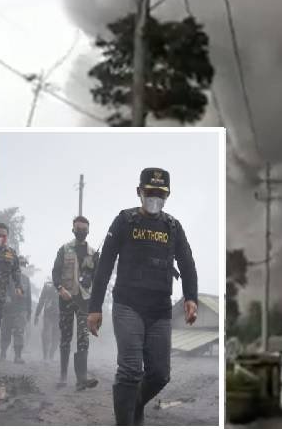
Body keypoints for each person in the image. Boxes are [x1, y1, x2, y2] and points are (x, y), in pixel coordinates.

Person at [87, 167, 199, 426]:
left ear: (168, 195)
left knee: (160, 375)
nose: (155, 198)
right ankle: (125, 421)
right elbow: (104, 266)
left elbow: (188, 264)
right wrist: (94, 308)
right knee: (129, 371)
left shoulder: (173, 226)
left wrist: (191, 297)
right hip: (128, 306)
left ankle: (133, 403)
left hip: (160, 310)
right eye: (150, 193)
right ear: (139, 192)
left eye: (161, 194)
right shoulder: (125, 221)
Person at [52, 216, 99, 391]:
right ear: (73, 229)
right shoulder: (64, 249)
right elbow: (55, 272)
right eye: (78, 229)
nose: (81, 232)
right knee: (65, 337)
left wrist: (91, 275)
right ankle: (63, 376)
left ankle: (81, 379)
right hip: (66, 299)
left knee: (83, 337)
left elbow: (99, 278)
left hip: (84, 301)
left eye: (84, 229)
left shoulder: (93, 253)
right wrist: (59, 288)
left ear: (88, 230)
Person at [0, 256, 31, 363]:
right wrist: (6, 298)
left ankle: (17, 356)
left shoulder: (26, 279)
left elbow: (29, 297)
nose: (22, 266)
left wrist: (29, 312)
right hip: (8, 310)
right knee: (5, 332)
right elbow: (3, 290)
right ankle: (3, 353)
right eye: (21, 264)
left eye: (24, 264)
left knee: (19, 332)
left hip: (21, 310)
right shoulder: (8, 278)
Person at [0, 222, 23, 334]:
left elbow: (16, 270)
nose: (1, 238)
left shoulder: (10, 253)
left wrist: (18, 286)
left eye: (3, 236)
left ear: (7, 237)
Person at [35, 278, 61, 361]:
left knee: (56, 337)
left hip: (59, 315)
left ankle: (51, 355)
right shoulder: (48, 285)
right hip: (48, 314)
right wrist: (37, 314)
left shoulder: (66, 284)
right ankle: (45, 355)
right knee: (46, 335)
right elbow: (41, 300)